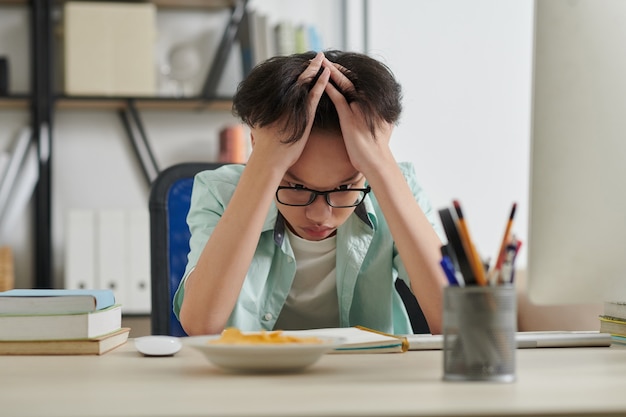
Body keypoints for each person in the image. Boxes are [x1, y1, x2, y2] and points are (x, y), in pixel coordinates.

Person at [174, 50, 447, 336]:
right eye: (294, 186)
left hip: (366, 378)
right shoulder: (220, 192)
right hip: (253, 379)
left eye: (344, 188)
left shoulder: (393, 186)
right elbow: (201, 325)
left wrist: (381, 166)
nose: (319, 215)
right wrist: (265, 166)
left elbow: (458, 323)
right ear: (258, 145)